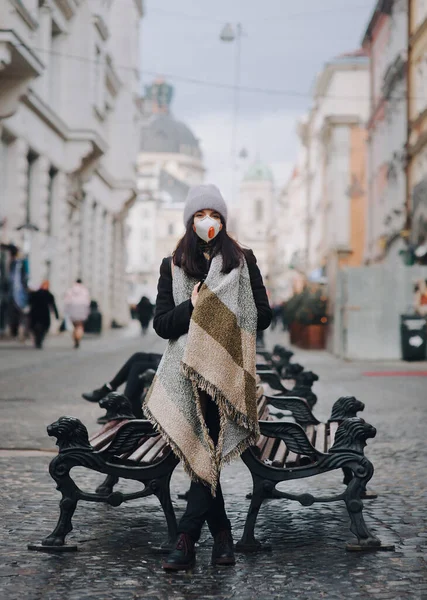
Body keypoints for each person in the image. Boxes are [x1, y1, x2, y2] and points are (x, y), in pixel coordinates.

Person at [143, 184, 272, 571]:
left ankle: (185, 537)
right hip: (185, 376)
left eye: (215, 215)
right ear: (189, 220)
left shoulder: (243, 260)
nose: (208, 222)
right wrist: (194, 306)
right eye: (201, 215)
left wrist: (224, 310)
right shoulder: (173, 264)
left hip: (226, 375)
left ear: (224, 220)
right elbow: (162, 325)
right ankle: (222, 535)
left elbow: (262, 315)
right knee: (206, 453)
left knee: (209, 449)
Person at [82, 352, 162, 419]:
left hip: (172, 363)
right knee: (137, 356)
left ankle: (126, 409)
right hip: (169, 358)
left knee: (137, 366)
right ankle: (109, 388)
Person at [28, 280, 59, 349]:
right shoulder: (49, 294)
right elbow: (53, 306)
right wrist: (56, 315)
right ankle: (39, 341)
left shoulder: (35, 293)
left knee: (35, 328)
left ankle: (37, 340)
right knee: (44, 329)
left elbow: (29, 302)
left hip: (35, 313)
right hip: (44, 314)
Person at [7, 245, 29, 338]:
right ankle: (16, 331)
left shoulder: (20, 263)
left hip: (18, 292)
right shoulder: (13, 263)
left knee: (20, 312)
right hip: (12, 292)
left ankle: (21, 331)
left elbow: (25, 277)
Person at [63, 279, 90, 349]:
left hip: (72, 309)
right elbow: (87, 303)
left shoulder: (70, 290)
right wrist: (87, 312)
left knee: (75, 326)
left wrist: (67, 311)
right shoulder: (84, 291)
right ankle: (78, 338)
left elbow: (66, 302)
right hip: (82, 309)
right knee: (80, 326)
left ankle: (75, 339)